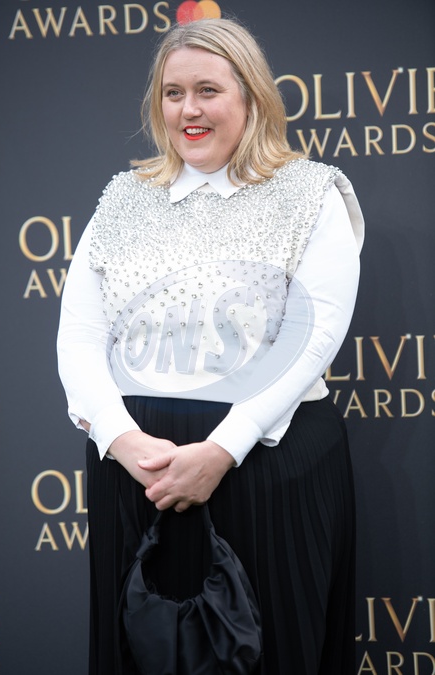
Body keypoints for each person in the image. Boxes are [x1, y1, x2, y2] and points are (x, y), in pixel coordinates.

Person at [57, 16, 364, 675]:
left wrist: (224, 448)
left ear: (250, 97)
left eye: (207, 90)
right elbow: (79, 334)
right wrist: (119, 438)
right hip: (137, 475)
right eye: (173, 93)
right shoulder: (123, 198)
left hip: (266, 468)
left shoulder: (311, 192)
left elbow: (314, 335)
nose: (188, 110)